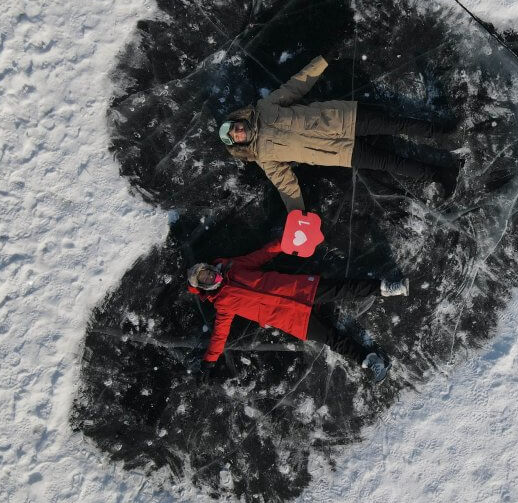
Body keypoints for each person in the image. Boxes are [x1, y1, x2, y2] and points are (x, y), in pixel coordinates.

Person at [218, 55, 461, 213]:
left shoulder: (264, 108)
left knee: (396, 124)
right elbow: (285, 184)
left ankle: (441, 131)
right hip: (339, 153)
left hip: (343, 118)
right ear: (238, 145)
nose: (238, 132)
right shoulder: (263, 157)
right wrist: (296, 214)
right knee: (389, 162)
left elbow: (295, 87)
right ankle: (439, 175)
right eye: (235, 137)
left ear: (238, 120)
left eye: (234, 127)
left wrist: (321, 62)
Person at [187, 237, 408, 383]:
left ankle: (388, 288)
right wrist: (209, 361)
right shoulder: (222, 303)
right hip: (291, 319)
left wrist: (288, 239)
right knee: (333, 339)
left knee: (343, 288)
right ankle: (371, 361)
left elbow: (263, 254)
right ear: (203, 287)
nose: (210, 276)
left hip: (298, 289)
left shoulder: (234, 267)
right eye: (204, 279)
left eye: (206, 271)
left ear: (210, 266)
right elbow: (220, 334)